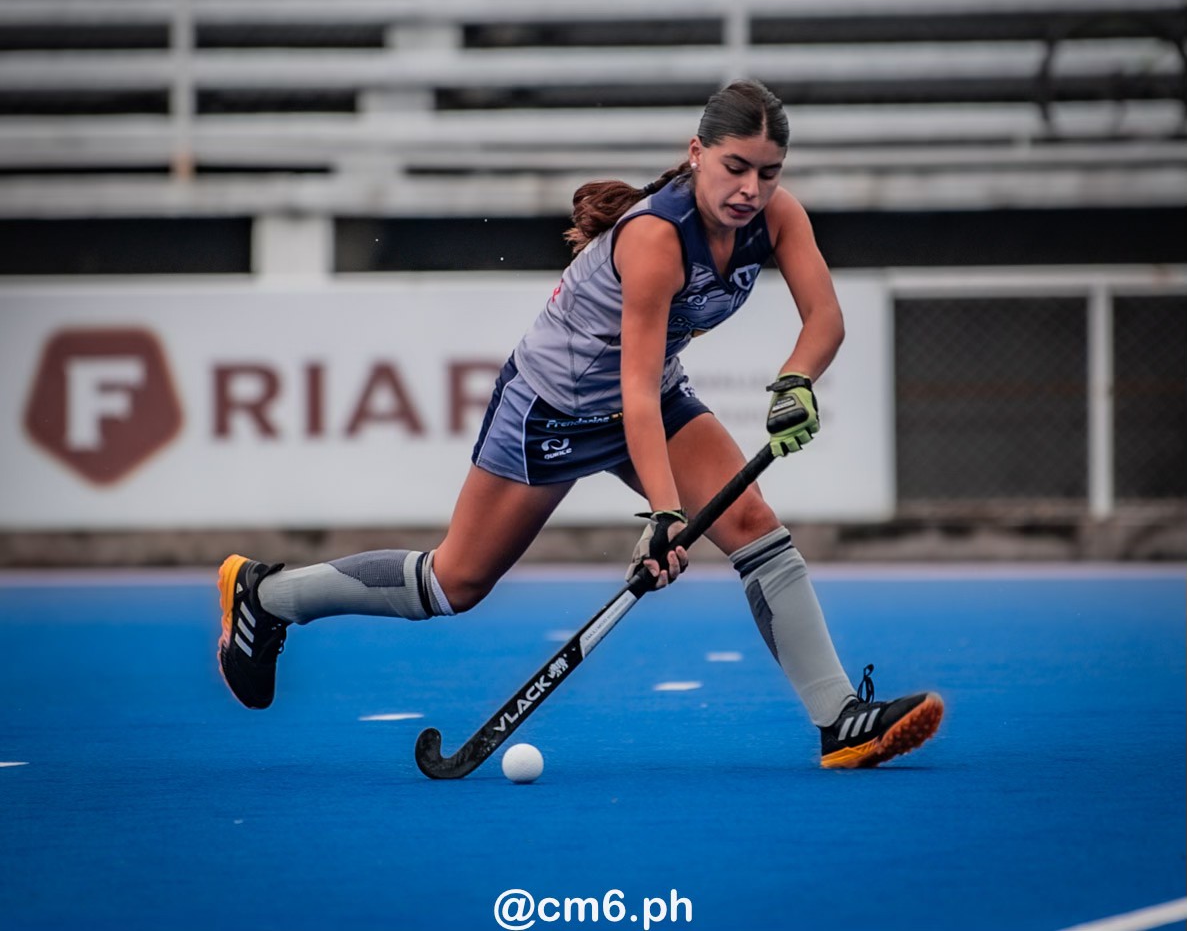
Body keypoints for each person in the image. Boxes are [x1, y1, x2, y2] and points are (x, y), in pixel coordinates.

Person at [216, 79, 943, 769]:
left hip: (654, 395)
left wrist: (795, 383)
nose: (751, 189)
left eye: (769, 172)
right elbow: (626, 387)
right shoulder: (657, 238)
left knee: (751, 521)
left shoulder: (777, 218)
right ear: (696, 154)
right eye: (735, 167)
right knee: (453, 584)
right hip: (549, 410)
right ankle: (266, 594)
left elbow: (825, 320)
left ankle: (838, 720)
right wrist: (664, 514)